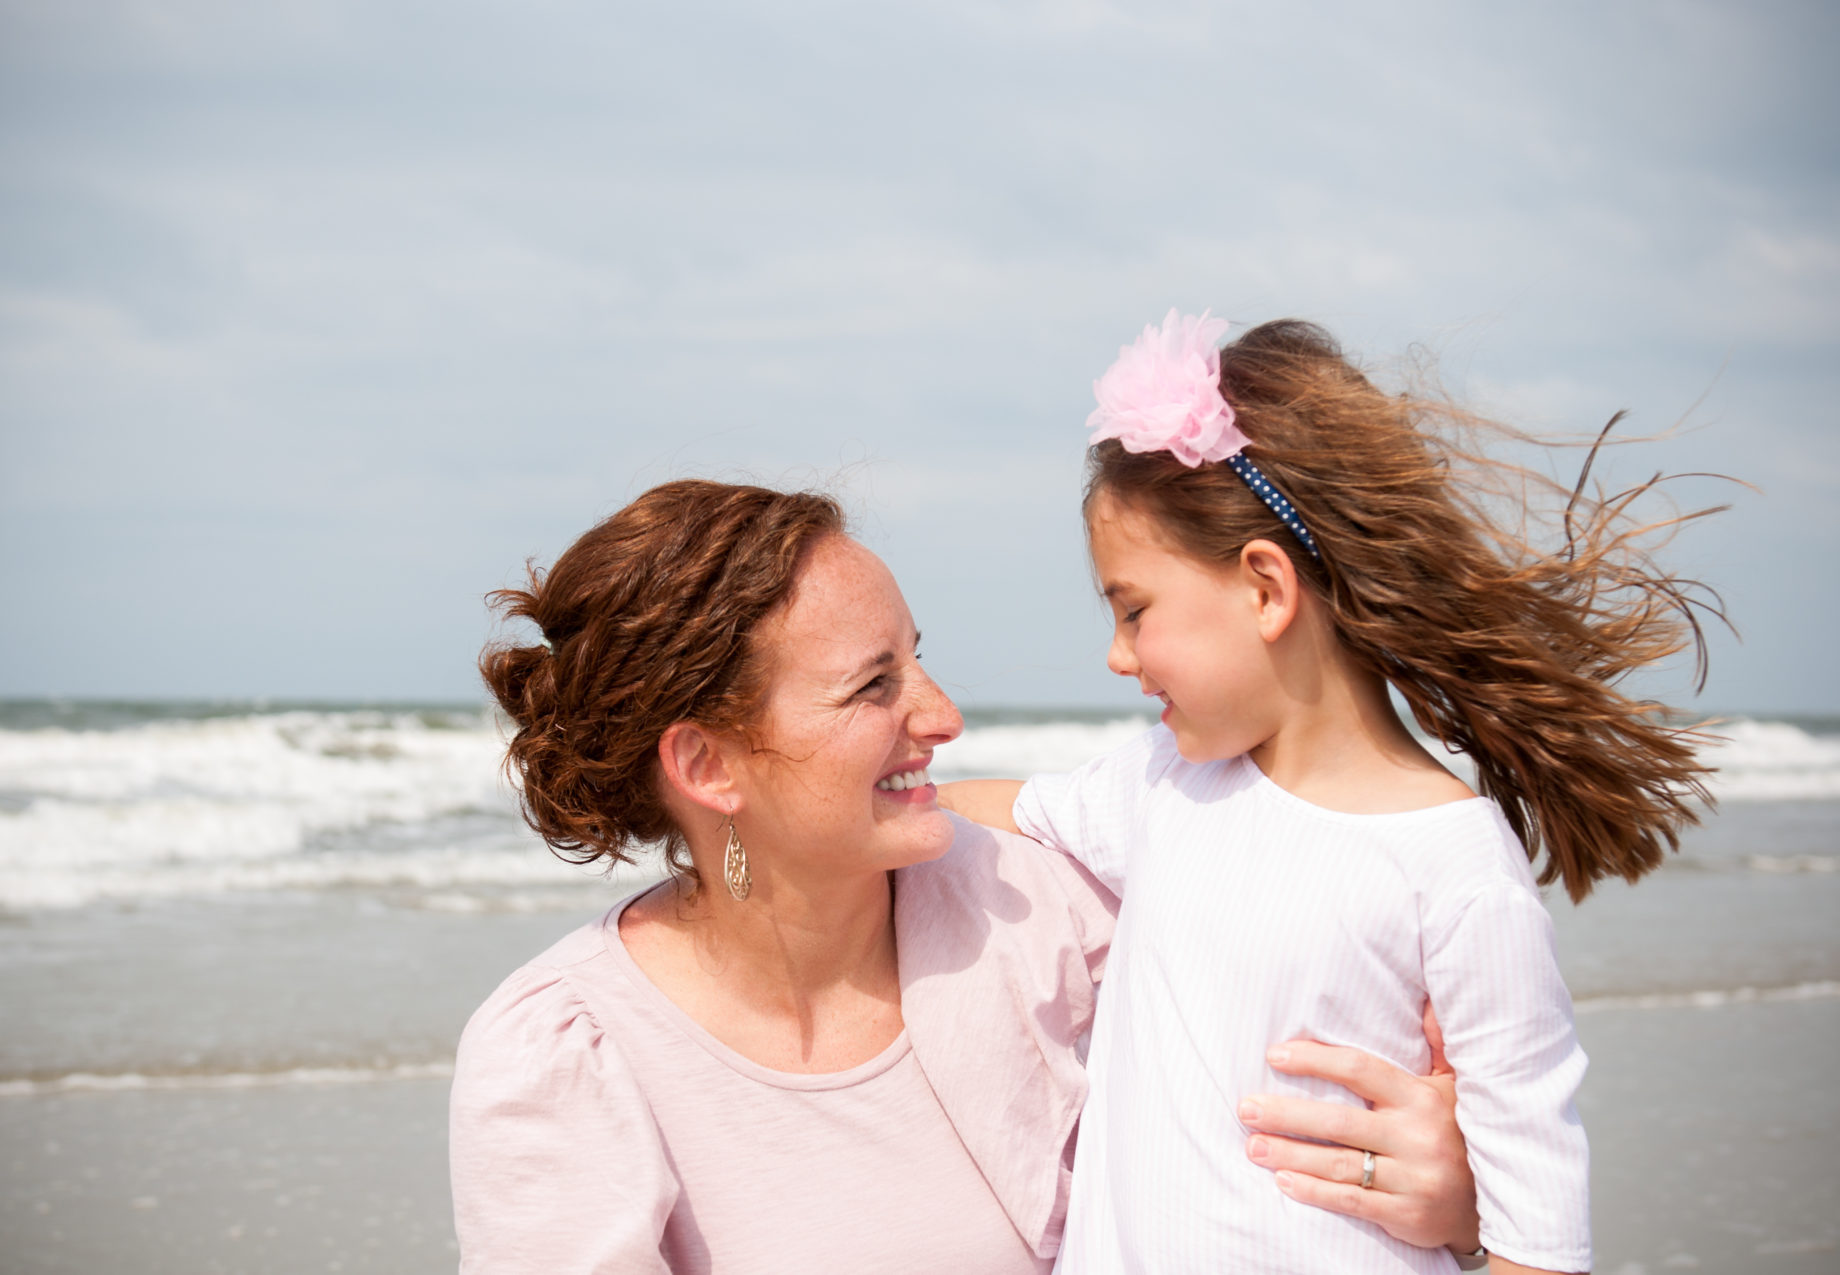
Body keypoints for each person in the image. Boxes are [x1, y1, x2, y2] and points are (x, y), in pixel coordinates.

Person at [449, 479, 1487, 1273]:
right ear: (708, 766)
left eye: (917, 658)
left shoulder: (1060, 914)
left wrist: (1453, 1204)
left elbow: (1288, 1196)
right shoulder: (565, 1057)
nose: (942, 716)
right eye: (873, 685)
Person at [942, 311, 1721, 1274]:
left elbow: (1538, 1231)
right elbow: (992, 809)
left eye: (1135, 609)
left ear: (1266, 588)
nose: (1118, 656)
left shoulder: (1454, 860)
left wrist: (1472, 1218)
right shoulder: (1162, 785)